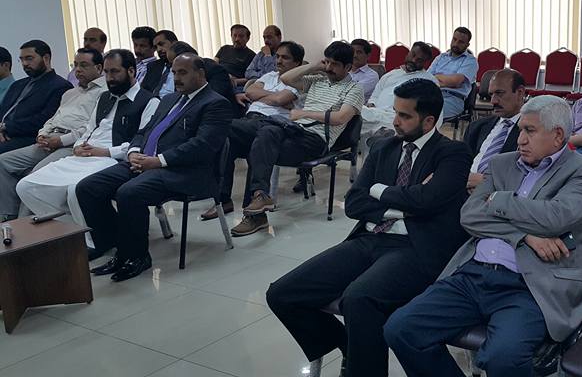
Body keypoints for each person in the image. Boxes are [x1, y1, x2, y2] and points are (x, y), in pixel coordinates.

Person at [385, 95, 582, 377]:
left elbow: (557, 217)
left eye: (530, 131)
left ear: (558, 135)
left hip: (531, 286)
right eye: (520, 130)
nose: (521, 139)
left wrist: (499, 201)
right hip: (474, 274)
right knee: (401, 328)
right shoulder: (503, 164)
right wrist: (523, 236)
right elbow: (470, 215)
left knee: (504, 358)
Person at [266, 78, 472, 377]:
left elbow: (428, 200)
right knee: (282, 294)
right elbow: (354, 203)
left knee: (359, 299)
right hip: (370, 237)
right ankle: (352, 347)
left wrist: (380, 191)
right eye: (396, 112)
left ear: (428, 121)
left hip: (415, 248)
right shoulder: (384, 147)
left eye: (405, 116)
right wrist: (404, 204)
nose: (395, 121)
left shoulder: (453, 154)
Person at [76, 53, 233, 282]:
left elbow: (202, 146)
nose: (176, 78)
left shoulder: (215, 103)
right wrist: (133, 152)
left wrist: (159, 161)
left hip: (184, 171)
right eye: (174, 72)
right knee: (88, 187)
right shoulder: (169, 99)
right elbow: (143, 131)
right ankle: (115, 245)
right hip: (146, 162)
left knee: (129, 193)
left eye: (183, 73)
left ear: (200, 74)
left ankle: (137, 257)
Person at [16, 49, 158, 253]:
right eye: (107, 72)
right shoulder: (105, 97)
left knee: (76, 189)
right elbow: (89, 129)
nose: (110, 78)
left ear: (131, 71)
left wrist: (105, 152)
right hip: (85, 154)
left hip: (113, 158)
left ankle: (94, 241)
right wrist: (78, 146)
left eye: (115, 72)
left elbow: (143, 142)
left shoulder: (149, 101)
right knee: (26, 186)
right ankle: (76, 232)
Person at [231, 41, 365, 236]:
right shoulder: (317, 80)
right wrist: (314, 66)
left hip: (316, 140)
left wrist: (304, 113)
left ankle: (255, 215)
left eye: (335, 64)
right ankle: (259, 199)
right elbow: (286, 78)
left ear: (348, 67)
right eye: (327, 62)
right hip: (294, 130)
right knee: (264, 135)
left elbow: (340, 117)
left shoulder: (354, 89)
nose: (329, 67)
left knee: (258, 142)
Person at [200, 41, 301, 225]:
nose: (279, 61)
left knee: (228, 130)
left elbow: (279, 99)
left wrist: (264, 96)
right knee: (227, 141)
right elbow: (250, 91)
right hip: (250, 120)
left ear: (297, 63)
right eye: (277, 56)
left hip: (275, 124)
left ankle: (244, 208)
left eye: (285, 57)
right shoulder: (270, 75)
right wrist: (272, 97)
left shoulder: (300, 81)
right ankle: (233, 204)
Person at [0, 48, 106, 220]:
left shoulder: (104, 93)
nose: (78, 70)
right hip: (48, 140)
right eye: (76, 65)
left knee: (34, 177)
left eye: (84, 65)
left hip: (71, 144)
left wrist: (60, 141)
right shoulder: (70, 92)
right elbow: (53, 119)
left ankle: (23, 225)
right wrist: (42, 134)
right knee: (3, 162)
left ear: (99, 68)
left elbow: (91, 127)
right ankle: (8, 215)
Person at [0, 41, 73, 156]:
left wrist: (6, 127)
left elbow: (44, 120)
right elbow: (3, 111)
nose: (24, 63)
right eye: (21, 59)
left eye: (29, 58)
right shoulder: (18, 85)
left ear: (46, 58)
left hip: (29, 138)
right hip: (6, 134)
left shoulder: (60, 86)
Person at [464, 69, 524, 190]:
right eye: (491, 95)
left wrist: (486, 181)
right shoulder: (477, 127)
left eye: (499, 93)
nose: (493, 101)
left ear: (520, 92)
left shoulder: (530, 132)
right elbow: (461, 162)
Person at [362, 42, 436, 136]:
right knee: (352, 112)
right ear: (408, 53)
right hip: (375, 113)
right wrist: (371, 104)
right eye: (413, 55)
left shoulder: (429, 81)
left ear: (425, 63)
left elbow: (433, 112)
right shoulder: (391, 74)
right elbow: (375, 96)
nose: (413, 60)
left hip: (398, 118)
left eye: (419, 60)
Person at [428, 27, 478, 118]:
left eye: (461, 42)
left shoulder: (470, 61)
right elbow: (427, 78)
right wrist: (447, 81)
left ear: (467, 44)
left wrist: (436, 77)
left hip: (453, 100)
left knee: (426, 113)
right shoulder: (441, 57)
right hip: (431, 95)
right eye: (454, 39)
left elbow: (455, 81)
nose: (456, 44)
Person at [141, 29, 178, 94]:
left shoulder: (186, 64)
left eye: (161, 44)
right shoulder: (153, 66)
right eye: (156, 47)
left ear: (175, 43)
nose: (158, 49)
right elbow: (144, 90)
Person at [348, 38, 379, 103]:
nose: (354, 55)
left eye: (359, 52)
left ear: (368, 56)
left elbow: (352, 93)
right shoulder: (344, 71)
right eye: (353, 52)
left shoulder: (372, 76)